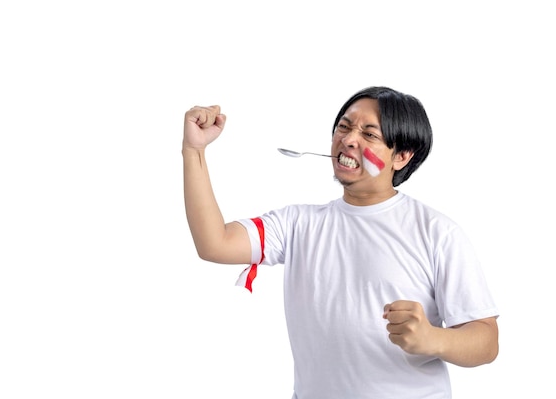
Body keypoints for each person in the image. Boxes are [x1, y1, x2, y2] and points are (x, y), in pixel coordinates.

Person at [182, 86, 499, 399]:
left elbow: (486, 341)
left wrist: (433, 338)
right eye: (344, 127)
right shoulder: (297, 225)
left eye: (369, 135)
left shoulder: (437, 232)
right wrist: (194, 151)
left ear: (402, 156)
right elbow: (215, 243)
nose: (348, 140)